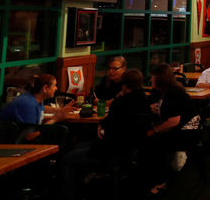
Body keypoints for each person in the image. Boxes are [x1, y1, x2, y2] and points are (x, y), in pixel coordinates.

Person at [61, 68, 150, 200]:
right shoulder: (144, 100)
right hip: (131, 148)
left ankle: (68, 195)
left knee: (67, 158)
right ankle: (89, 182)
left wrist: (102, 124)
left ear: (124, 84)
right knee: (79, 147)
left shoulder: (121, 103)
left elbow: (110, 125)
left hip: (111, 149)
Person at [141, 64, 195, 195]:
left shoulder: (174, 93)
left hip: (186, 130)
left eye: (153, 78)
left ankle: (162, 180)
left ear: (161, 79)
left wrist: (154, 130)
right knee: (145, 137)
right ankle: (145, 176)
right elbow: (147, 105)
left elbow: (174, 121)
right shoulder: (157, 91)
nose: (151, 80)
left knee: (157, 141)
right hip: (170, 126)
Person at [0, 74, 71, 125]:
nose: (56, 88)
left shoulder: (35, 99)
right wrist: (54, 120)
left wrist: (60, 110)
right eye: (54, 85)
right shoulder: (28, 104)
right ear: (44, 88)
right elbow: (30, 135)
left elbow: (42, 109)